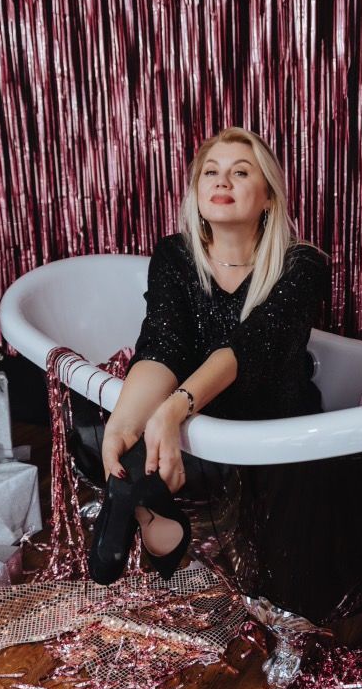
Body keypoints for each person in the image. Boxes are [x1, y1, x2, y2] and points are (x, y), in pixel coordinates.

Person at [88, 126, 328, 586]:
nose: (222, 181)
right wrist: (124, 424)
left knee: (288, 571)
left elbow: (250, 347)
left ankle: (146, 503)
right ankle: (143, 494)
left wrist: (172, 409)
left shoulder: (303, 265)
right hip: (201, 428)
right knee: (128, 418)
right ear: (197, 192)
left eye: (241, 172)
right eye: (211, 172)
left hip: (276, 433)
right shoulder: (174, 256)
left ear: (268, 197)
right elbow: (163, 345)